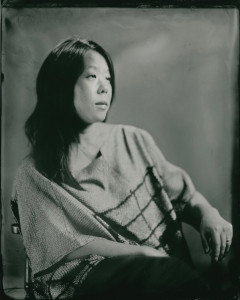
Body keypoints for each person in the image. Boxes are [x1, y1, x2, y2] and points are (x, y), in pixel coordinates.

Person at [11, 38, 233, 300]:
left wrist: (210, 214)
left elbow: (184, 196)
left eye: (107, 77)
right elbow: (62, 246)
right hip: (89, 282)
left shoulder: (133, 139)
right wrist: (142, 254)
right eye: (92, 76)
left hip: (160, 276)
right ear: (60, 86)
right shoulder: (33, 172)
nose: (105, 87)